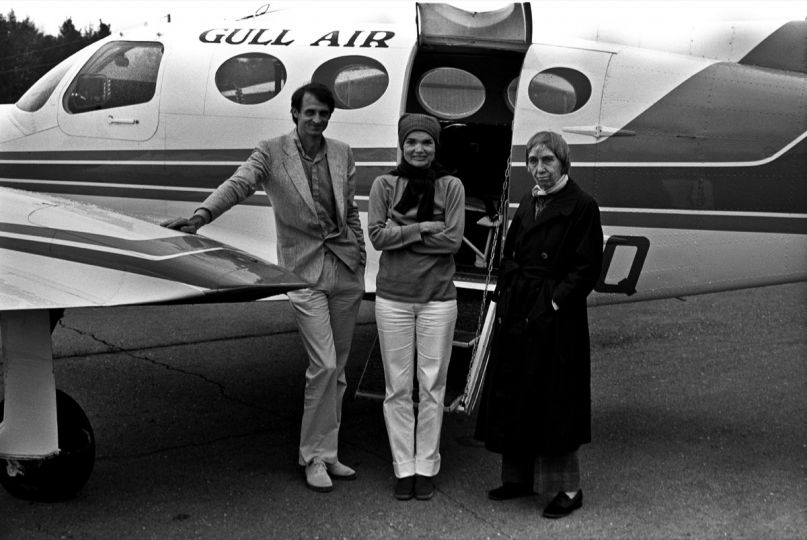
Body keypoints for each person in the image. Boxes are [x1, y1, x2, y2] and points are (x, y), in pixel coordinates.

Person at [162, 82, 366, 494]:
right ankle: (311, 458)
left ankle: (329, 453)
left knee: (338, 371)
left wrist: (359, 251)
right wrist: (201, 216)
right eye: (310, 113)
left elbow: (351, 208)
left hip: (345, 270)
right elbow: (239, 183)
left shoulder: (342, 152)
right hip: (303, 270)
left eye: (324, 114)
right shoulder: (272, 152)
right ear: (294, 113)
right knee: (323, 365)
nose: (317, 120)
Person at [475, 131, 603, 518]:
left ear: (563, 162)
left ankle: (567, 488)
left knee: (554, 399)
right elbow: (511, 250)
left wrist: (552, 300)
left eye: (548, 160)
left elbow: (586, 268)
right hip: (520, 308)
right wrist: (508, 290)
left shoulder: (582, 205)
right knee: (517, 391)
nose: (540, 169)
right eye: (533, 161)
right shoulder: (529, 201)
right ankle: (518, 478)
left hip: (555, 318)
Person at [367, 114, 465, 501]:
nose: (419, 149)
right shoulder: (384, 184)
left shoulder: (451, 185)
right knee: (397, 387)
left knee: (432, 386)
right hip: (392, 298)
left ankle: (426, 465)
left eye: (426, 142)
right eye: (412, 142)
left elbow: (454, 241)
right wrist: (424, 228)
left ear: (436, 146)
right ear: (401, 145)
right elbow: (376, 236)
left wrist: (401, 234)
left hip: (438, 299)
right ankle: (402, 466)